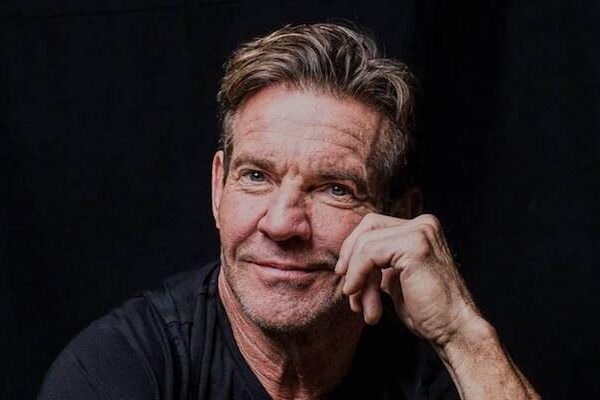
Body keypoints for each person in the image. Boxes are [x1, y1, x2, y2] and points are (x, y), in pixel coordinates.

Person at [38, 23, 539, 399]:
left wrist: (460, 332)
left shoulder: (436, 369)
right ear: (218, 188)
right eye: (256, 176)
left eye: (335, 189)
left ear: (398, 217)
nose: (281, 224)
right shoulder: (123, 367)